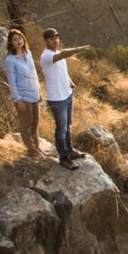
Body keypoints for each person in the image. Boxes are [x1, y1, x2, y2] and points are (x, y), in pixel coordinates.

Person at [39, 27, 91, 170]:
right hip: (56, 98)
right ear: (46, 41)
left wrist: (70, 83)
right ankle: (63, 157)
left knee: (68, 126)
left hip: (66, 94)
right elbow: (61, 55)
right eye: (52, 38)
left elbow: (62, 70)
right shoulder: (47, 56)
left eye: (56, 37)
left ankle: (70, 151)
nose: (55, 40)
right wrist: (77, 49)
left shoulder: (56, 54)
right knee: (61, 129)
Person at [3, 28, 43, 157]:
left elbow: (34, 74)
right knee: (26, 123)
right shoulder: (10, 60)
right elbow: (12, 82)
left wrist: (38, 90)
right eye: (15, 39)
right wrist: (17, 99)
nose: (18, 41)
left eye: (20, 38)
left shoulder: (28, 53)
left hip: (33, 93)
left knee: (36, 122)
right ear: (11, 43)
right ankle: (31, 149)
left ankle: (37, 146)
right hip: (22, 96)